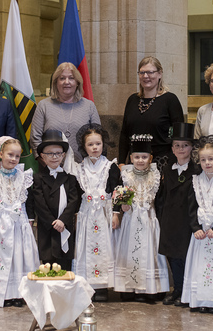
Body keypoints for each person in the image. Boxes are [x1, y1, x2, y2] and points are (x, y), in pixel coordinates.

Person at [0, 137, 40, 308]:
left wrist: (29, 221)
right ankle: (3, 294)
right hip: (1, 224)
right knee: (2, 257)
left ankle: (20, 294)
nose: (13, 159)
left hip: (20, 223)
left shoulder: (24, 177)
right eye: (10, 155)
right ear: (1, 154)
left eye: (17, 156)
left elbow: (29, 202)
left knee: (21, 256)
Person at [113, 134, 169, 300]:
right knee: (129, 250)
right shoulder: (126, 174)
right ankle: (129, 288)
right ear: (131, 157)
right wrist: (121, 207)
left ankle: (150, 289)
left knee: (150, 251)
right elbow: (119, 194)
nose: (140, 160)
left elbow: (160, 199)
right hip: (131, 220)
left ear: (150, 157)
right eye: (137, 157)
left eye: (144, 157)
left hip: (149, 220)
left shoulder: (156, 174)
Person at [181, 138, 213, 313]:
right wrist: (196, 228)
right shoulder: (195, 181)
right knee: (200, 267)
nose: (207, 163)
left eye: (210, 159)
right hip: (201, 234)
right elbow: (191, 207)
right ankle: (200, 300)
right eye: (203, 160)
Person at [72, 123, 121, 302]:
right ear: (84, 147)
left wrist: (115, 213)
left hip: (103, 214)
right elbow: (77, 194)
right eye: (90, 144)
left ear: (103, 145)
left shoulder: (111, 167)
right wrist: (76, 214)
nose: (94, 148)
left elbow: (116, 191)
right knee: (85, 247)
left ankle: (102, 286)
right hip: (86, 213)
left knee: (104, 247)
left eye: (98, 144)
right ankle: (87, 284)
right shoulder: (79, 169)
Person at [155, 122, 196, 307]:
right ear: (172, 148)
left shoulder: (197, 170)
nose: (181, 149)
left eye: (185, 145)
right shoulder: (167, 169)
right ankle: (177, 288)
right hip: (170, 218)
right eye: (177, 145)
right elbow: (161, 195)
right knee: (172, 255)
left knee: (185, 255)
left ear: (191, 148)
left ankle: (187, 290)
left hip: (187, 219)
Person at [118, 56, 185, 167]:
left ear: (159, 74)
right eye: (142, 72)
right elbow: (124, 134)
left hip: (162, 164)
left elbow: (179, 137)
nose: (145, 76)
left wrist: (174, 165)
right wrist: (121, 162)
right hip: (135, 164)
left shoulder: (170, 100)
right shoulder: (132, 100)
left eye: (150, 72)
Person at [30, 130, 82, 271]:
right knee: (48, 265)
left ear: (63, 155)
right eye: (50, 154)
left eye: (58, 153)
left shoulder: (70, 178)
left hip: (64, 226)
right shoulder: (37, 178)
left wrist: (62, 221)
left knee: (64, 265)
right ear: (42, 156)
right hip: (48, 227)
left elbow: (73, 202)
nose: (54, 157)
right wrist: (53, 222)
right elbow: (39, 203)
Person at [30, 62, 99, 164]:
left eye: (71, 78)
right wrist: (47, 164)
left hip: (84, 169)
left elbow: (98, 138)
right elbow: (35, 138)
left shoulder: (89, 106)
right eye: (62, 78)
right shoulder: (43, 105)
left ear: (77, 82)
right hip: (50, 170)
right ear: (55, 82)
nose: (67, 82)